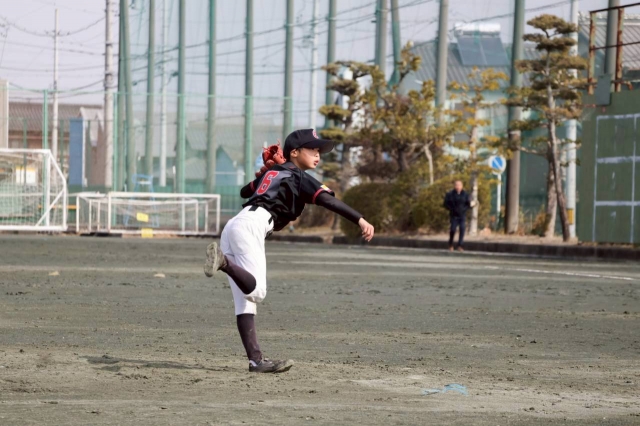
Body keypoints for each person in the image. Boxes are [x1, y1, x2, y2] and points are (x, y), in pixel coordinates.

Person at [203, 129, 375, 374]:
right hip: (252, 226)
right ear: (294, 152)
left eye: (319, 151)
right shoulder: (298, 175)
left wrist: (264, 174)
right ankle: (223, 262)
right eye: (312, 149)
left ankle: (256, 362)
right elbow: (328, 200)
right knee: (257, 292)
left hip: (233, 226)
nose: (318, 155)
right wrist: (360, 219)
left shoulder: (274, 172)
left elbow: (245, 192)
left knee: (245, 303)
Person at [443, 180, 472, 252]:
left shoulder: (465, 194)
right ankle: (450, 244)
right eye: (456, 185)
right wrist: (451, 209)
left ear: (462, 186)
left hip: (462, 215)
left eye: (459, 185)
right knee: (453, 229)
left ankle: (460, 245)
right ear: (454, 186)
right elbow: (445, 204)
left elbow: (468, 204)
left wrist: (464, 209)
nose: (458, 187)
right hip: (453, 215)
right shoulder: (450, 194)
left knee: (462, 229)